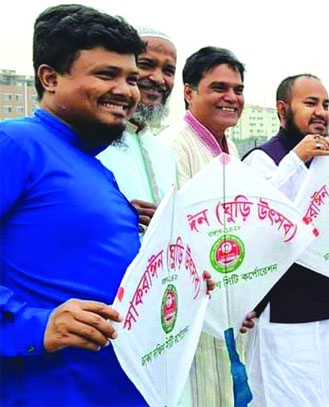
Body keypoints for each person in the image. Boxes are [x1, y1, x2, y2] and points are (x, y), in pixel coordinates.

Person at [0, 5, 147, 405]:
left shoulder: (99, 170)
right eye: (106, 74)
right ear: (50, 78)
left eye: (132, 78)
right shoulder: (16, 145)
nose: (127, 90)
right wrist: (34, 325)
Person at [241, 74, 329, 406]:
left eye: (325, 104)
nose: (321, 112)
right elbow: (261, 222)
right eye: (310, 103)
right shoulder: (262, 159)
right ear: (283, 110)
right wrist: (296, 160)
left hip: (328, 308)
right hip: (283, 313)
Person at [160, 46, 245, 407]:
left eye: (238, 90)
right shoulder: (173, 146)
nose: (231, 98)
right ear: (189, 92)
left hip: (229, 298)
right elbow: (178, 234)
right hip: (194, 306)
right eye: (219, 88)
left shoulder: (231, 147)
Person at [97, 26, 178, 232]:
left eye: (168, 71)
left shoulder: (164, 153)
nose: (159, 79)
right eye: (146, 65)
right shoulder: (94, 143)